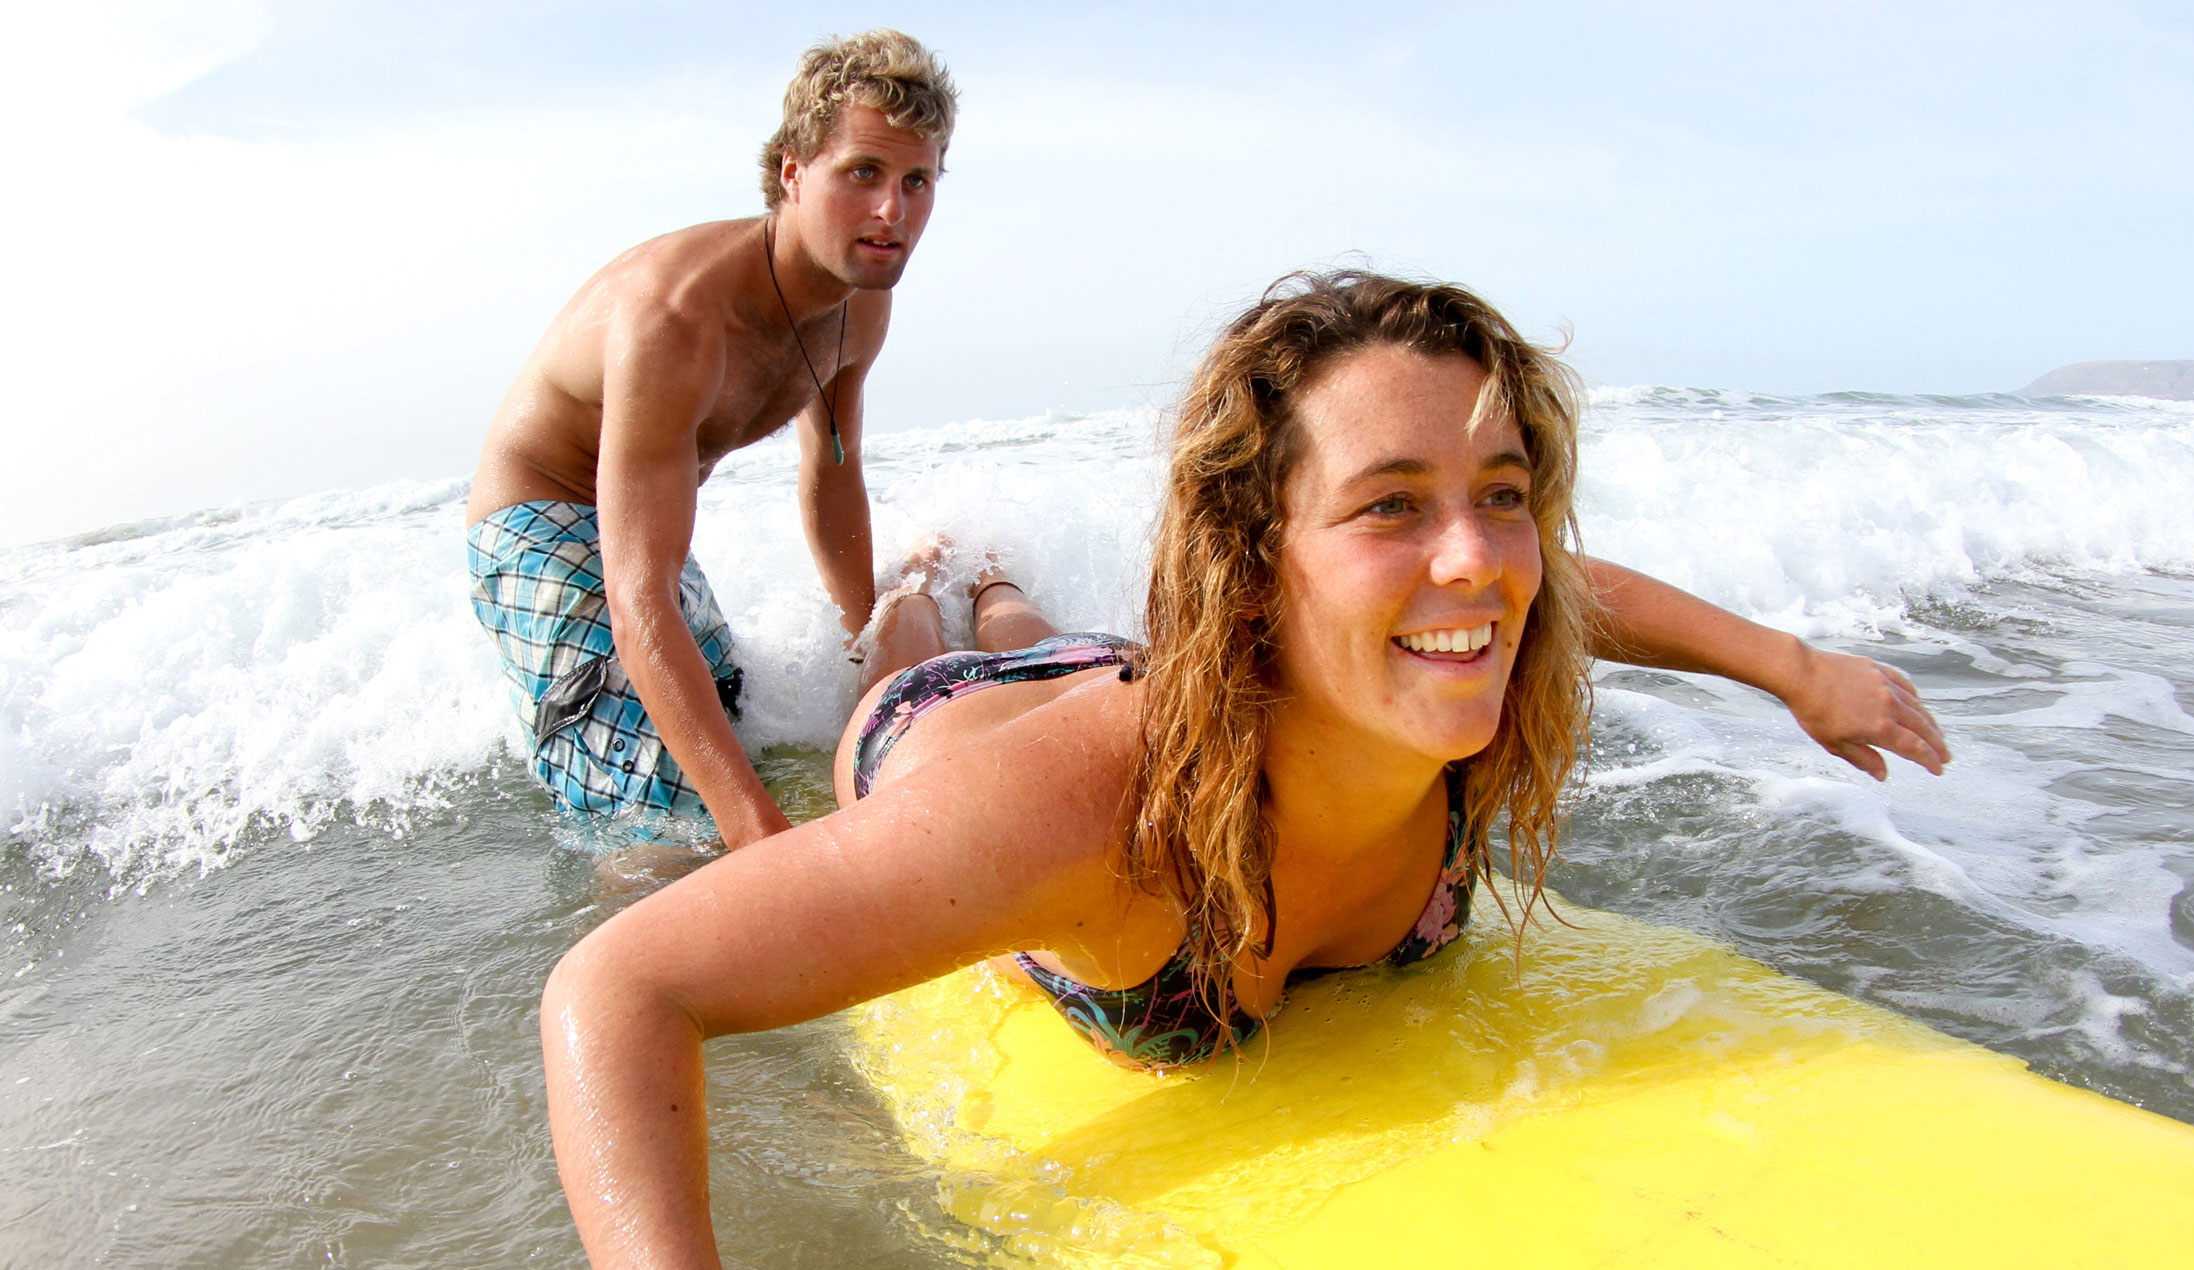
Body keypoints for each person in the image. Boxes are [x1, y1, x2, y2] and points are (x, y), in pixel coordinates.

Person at [539, 270, 1951, 1265]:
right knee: (908, 653)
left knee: (1050, 627)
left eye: (1501, 493)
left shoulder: (1459, 663)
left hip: (1140, 667)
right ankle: (921, 586)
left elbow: (1576, 587)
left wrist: (1796, 669)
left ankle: (1003, 586)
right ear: (1255, 558)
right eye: (1389, 501)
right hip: (957, 732)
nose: (1477, 557)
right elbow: (619, 990)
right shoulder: (1093, 818)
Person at [463, 31, 954, 847]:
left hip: (638, 523)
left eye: (917, 181)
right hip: (539, 526)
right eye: (862, 173)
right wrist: (761, 842)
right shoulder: (678, 319)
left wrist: (865, 641)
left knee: (732, 727)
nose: (891, 213)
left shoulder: (860, 304)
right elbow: (637, 599)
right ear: (793, 171)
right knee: (663, 814)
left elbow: (832, 472)